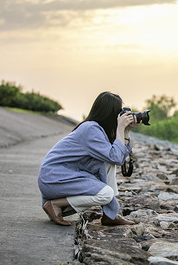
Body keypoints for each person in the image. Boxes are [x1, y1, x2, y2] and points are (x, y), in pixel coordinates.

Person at [37, 91, 141, 226]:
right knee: (106, 194)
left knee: (108, 164)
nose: (119, 116)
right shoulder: (90, 129)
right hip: (54, 177)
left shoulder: (98, 130)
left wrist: (126, 131)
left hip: (65, 176)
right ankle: (54, 204)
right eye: (118, 112)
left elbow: (117, 159)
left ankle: (110, 215)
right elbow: (115, 156)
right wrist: (120, 126)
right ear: (109, 113)